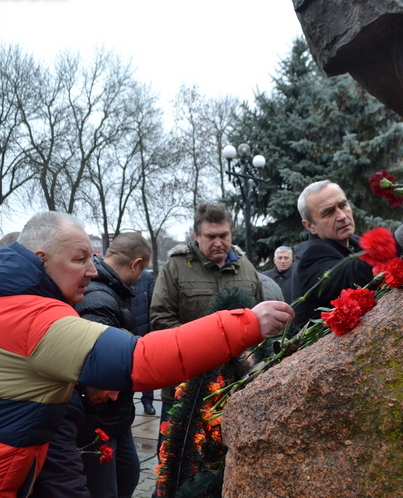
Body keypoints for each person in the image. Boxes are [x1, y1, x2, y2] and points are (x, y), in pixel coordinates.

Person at [0, 211, 293, 497]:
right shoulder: (32, 319)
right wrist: (246, 324)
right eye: (79, 260)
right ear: (41, 260)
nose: (93, 271)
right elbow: (141, 359)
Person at [150, 203, 265, 448]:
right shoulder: (175, 267)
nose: (218, 242)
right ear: (196, 235)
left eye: (224, 235)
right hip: (186, 389)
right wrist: (205, 349)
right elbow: (161, 320)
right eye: (210, 236)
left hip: (236, 388)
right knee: (174, 467)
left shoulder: (246, 268)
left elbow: (260, 319)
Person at [290, 178, 403, 327]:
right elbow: (354, 275)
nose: (342, 216)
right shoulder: (310, 255)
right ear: (310, 226)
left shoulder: (356, 241)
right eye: (328, 212)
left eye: (343, 205)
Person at [73, 232, 151, 498]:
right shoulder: (100, 298)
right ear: (136, 264)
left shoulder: (108, 291)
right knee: (107, 487)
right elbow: (98, 360)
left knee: (126, 476)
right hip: (101, 415)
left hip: (114, 414)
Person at [131, 269, 156, 415]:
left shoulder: (146, 277)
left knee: (147, 370)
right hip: (126, 330)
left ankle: (148, 402)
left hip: (144, 332)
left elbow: (154, 305)